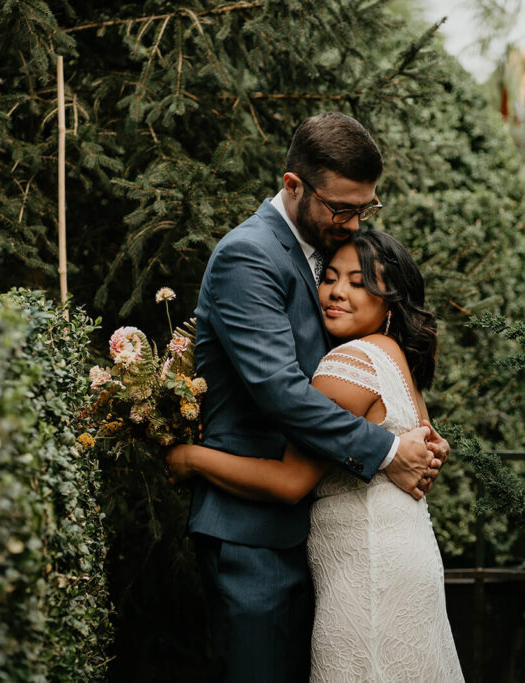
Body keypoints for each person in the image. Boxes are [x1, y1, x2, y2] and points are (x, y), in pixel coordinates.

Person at [183, 112, 448, 682]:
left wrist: (411, 431)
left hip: (315, 537)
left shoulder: (323, 253)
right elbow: (280, 391)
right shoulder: (248, 255)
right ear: (293, 185)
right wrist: (385, 449)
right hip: (252, 532)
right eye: (342, 208)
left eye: (366, 209)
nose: (353, 224)